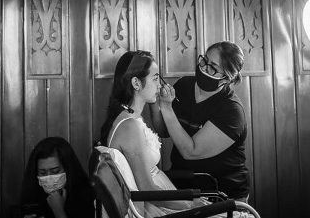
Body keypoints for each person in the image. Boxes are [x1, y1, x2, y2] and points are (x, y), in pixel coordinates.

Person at [99, 50, 198, 216]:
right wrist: (190, 204)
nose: (160, 85)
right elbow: (147, 189)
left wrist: (159, 103)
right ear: (136, 83)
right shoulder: (129, 126)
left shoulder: (131, 116)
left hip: (161, 199)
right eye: (155, 78)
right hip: (152, 205)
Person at [157, 41, 249, 202]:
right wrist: (153, 100)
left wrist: (166, 108)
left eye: (213, 67)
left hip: (222, 194)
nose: (204, 68)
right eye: (204, 60)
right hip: (183, 187)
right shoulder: (184, 85)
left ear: (227, 78)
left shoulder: (231, 111)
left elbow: (191, 151)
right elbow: (164, 131)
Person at [19, 136, 95, 218]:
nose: (49, 178)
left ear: (68, 169)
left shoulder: (86, 196)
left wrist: (58, 211)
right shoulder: (32, 196)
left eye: (55, 171)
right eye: (42, 173)